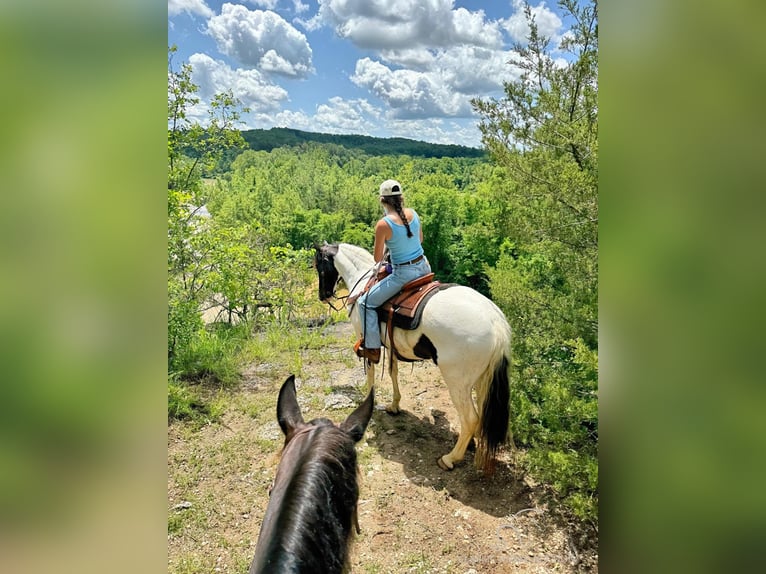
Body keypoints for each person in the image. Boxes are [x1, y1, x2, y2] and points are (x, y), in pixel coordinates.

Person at [356, 179, 432, 364]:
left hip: (403, 274)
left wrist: (393, 249)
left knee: (364, 302)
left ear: (382, 201)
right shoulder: (413, 214)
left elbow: (377, 258)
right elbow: (419, 240)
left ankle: (373, 348)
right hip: (424, 267)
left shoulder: (383, 224)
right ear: (401, 198)